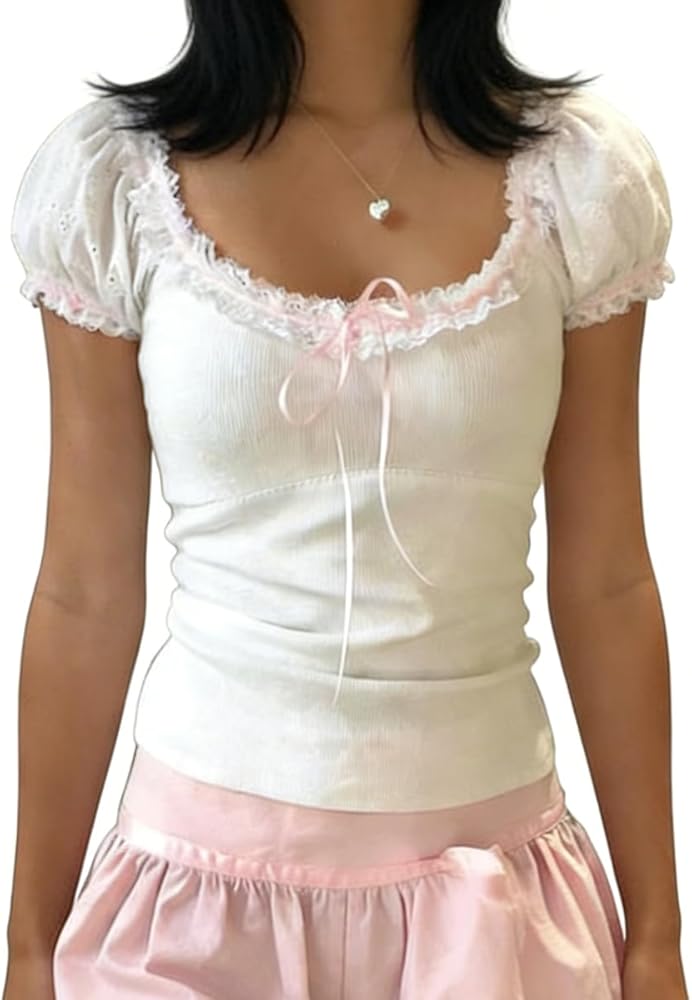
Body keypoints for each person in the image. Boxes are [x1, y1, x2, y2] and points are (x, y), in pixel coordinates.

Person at [4, 1, 686, 998]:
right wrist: (28, 945)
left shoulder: (578, 181)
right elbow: (83, 592)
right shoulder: (113, 183)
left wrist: (658, 936)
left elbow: (608, 581)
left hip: (494, 907)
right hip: (190, 910)